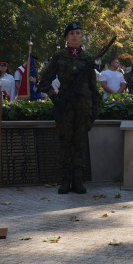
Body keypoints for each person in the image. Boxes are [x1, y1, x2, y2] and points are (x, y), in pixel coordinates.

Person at [38, 22, 102, 195]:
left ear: (82, 37)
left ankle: (77, 180)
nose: (75, 36)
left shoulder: (87, 58)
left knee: (80, 143)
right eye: (72, 33)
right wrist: (54, 98)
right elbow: (43, 81)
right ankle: (65, 180)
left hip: (83, 106)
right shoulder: (59, 56)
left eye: (78, 33)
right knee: (66, 142)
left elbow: (93, 86)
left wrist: (94, 108)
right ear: (67, 37)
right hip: (65, 106)